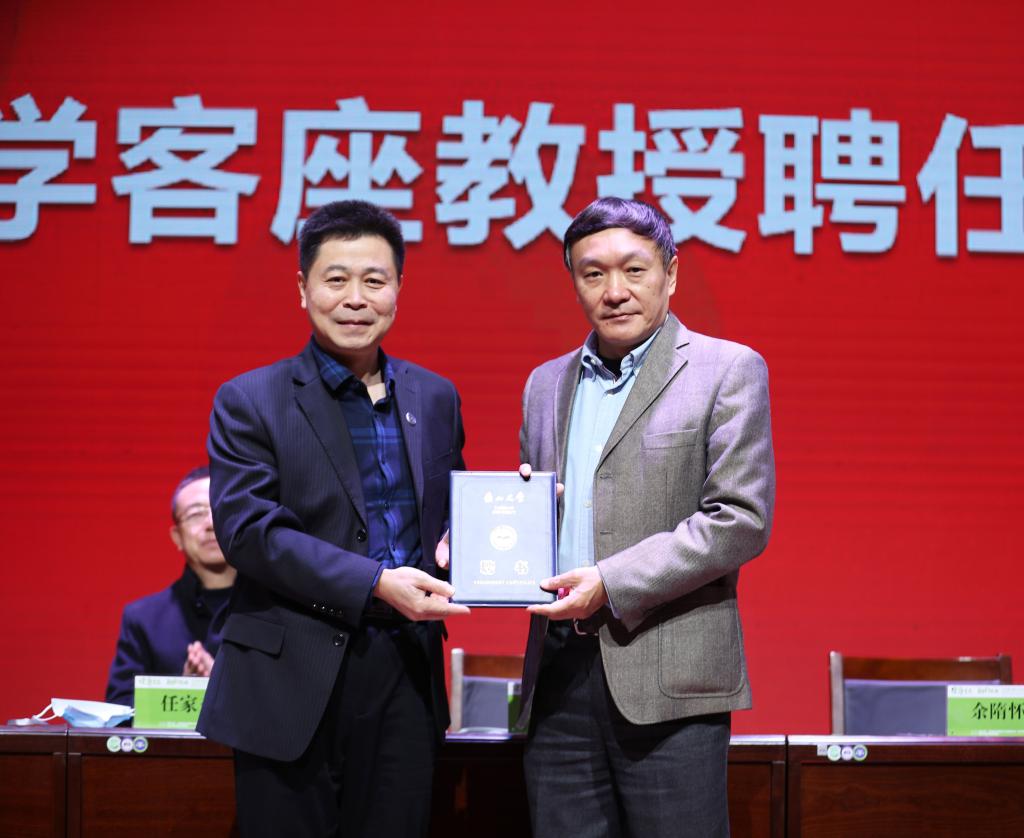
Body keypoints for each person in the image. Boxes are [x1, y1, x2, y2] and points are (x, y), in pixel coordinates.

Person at [197, 200, 469, 838]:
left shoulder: (435, 396)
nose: (355, 299)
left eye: (374, 280)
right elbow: (249, 532)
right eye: (336, 279)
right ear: (303, 289)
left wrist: (483, 533)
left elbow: (449, 513)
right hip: (287, 677)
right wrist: (375, 582)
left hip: (404, 674)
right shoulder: (250, 399)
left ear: (398, 289)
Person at [517, 197, 775, 837]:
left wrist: (611, 580)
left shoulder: (727, 370)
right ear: (574, 281)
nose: (614, 291)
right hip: (558, 679)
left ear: (671, 273)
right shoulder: (545, 385)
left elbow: (739, 518)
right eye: (593, 273)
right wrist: (475, 540)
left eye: (634, 269)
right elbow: (536, 511)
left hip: (670, 679)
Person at [105, 466, 235, 706]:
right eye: (196, 514)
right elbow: (119, 709)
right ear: (177, 537)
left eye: (219, 510)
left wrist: (225, 685)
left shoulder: (276, 608)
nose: (210, 523)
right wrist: (183, 691)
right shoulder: (143, 619)